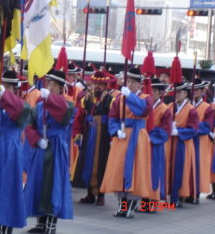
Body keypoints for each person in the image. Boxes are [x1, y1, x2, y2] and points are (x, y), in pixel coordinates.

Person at [24, 69, 74, 234]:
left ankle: (51, 224)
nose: (50, 86)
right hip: (41, 147)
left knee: (53, 185)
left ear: (61, 88)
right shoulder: (39, 105)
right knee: (39, 183)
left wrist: (50, 99)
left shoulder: (67, 104)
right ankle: (40, 222)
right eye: (49, 83)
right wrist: (37, 139)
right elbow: (29, 125)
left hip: (56, 149)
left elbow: (65, 116)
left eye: (54, 84)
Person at [100, 68, 153, 219]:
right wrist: (116, 131)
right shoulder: (118, 99)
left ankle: (131, 206)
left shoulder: (146, 98)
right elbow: (113, 117)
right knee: (119, 171)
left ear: (139, 84)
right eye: (127, 81)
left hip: (137, 137)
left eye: (132, 82)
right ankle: (122, 205)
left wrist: (130, 97)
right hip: (122, 137)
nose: (129, 84)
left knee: (135, 170)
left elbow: (143, 110)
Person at [0, 70, 31, 234]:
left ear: (15, 89)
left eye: (8, 87)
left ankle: (6, 223)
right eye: (3, 86)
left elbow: (21, 114)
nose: (5, 89)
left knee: (8, 188)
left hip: (10, 150)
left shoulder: (20, 103)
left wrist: (5, 96)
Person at [71, 70, 113, 206]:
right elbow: (79, 118)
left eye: (100, 85)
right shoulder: (86, 99)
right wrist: (78, 135)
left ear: (106, 86)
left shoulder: (110, 101)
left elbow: (113, 119)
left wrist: (113, 137)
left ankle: (101, 195)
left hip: (103, 137)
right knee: (87, 162)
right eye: (95, 84)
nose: (97, 87)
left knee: (102, 163)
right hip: (89, 135)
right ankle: (89, 193)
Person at [165, 82, 199, 208]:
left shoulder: (192, 110)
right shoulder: (169, 106)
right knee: (168, 168)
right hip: (170, 143)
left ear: (185, 94)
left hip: (183, 143)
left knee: (180, 169)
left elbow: (194, 129)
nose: (177, 95)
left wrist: (178, 131)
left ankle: (177, 196)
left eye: (180, 92)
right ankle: (168, 195)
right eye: (176, 92)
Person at [141, 78, 171, 212]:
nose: (151, 92)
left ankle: (152, 202)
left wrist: (148, 136)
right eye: (150, 90)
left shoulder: (165, 109)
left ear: (160, 92)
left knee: (154, 172)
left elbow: (165, 131)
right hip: (142, 143)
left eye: (154, 90)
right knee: (142, 171)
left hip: (155, 145)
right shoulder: (144, 106)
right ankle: (143, 200)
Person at [189, 78, 213, 204]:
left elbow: (207, 126)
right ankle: (186, 192)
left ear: (202, 91)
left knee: (198, 166)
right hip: (187, 139)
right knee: (187, 166)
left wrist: (191, 128)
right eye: (193, 90)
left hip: (199, 139)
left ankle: (196, 193)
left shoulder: (207, 107)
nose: (195, 92)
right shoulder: (187, 105)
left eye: (197, 90)